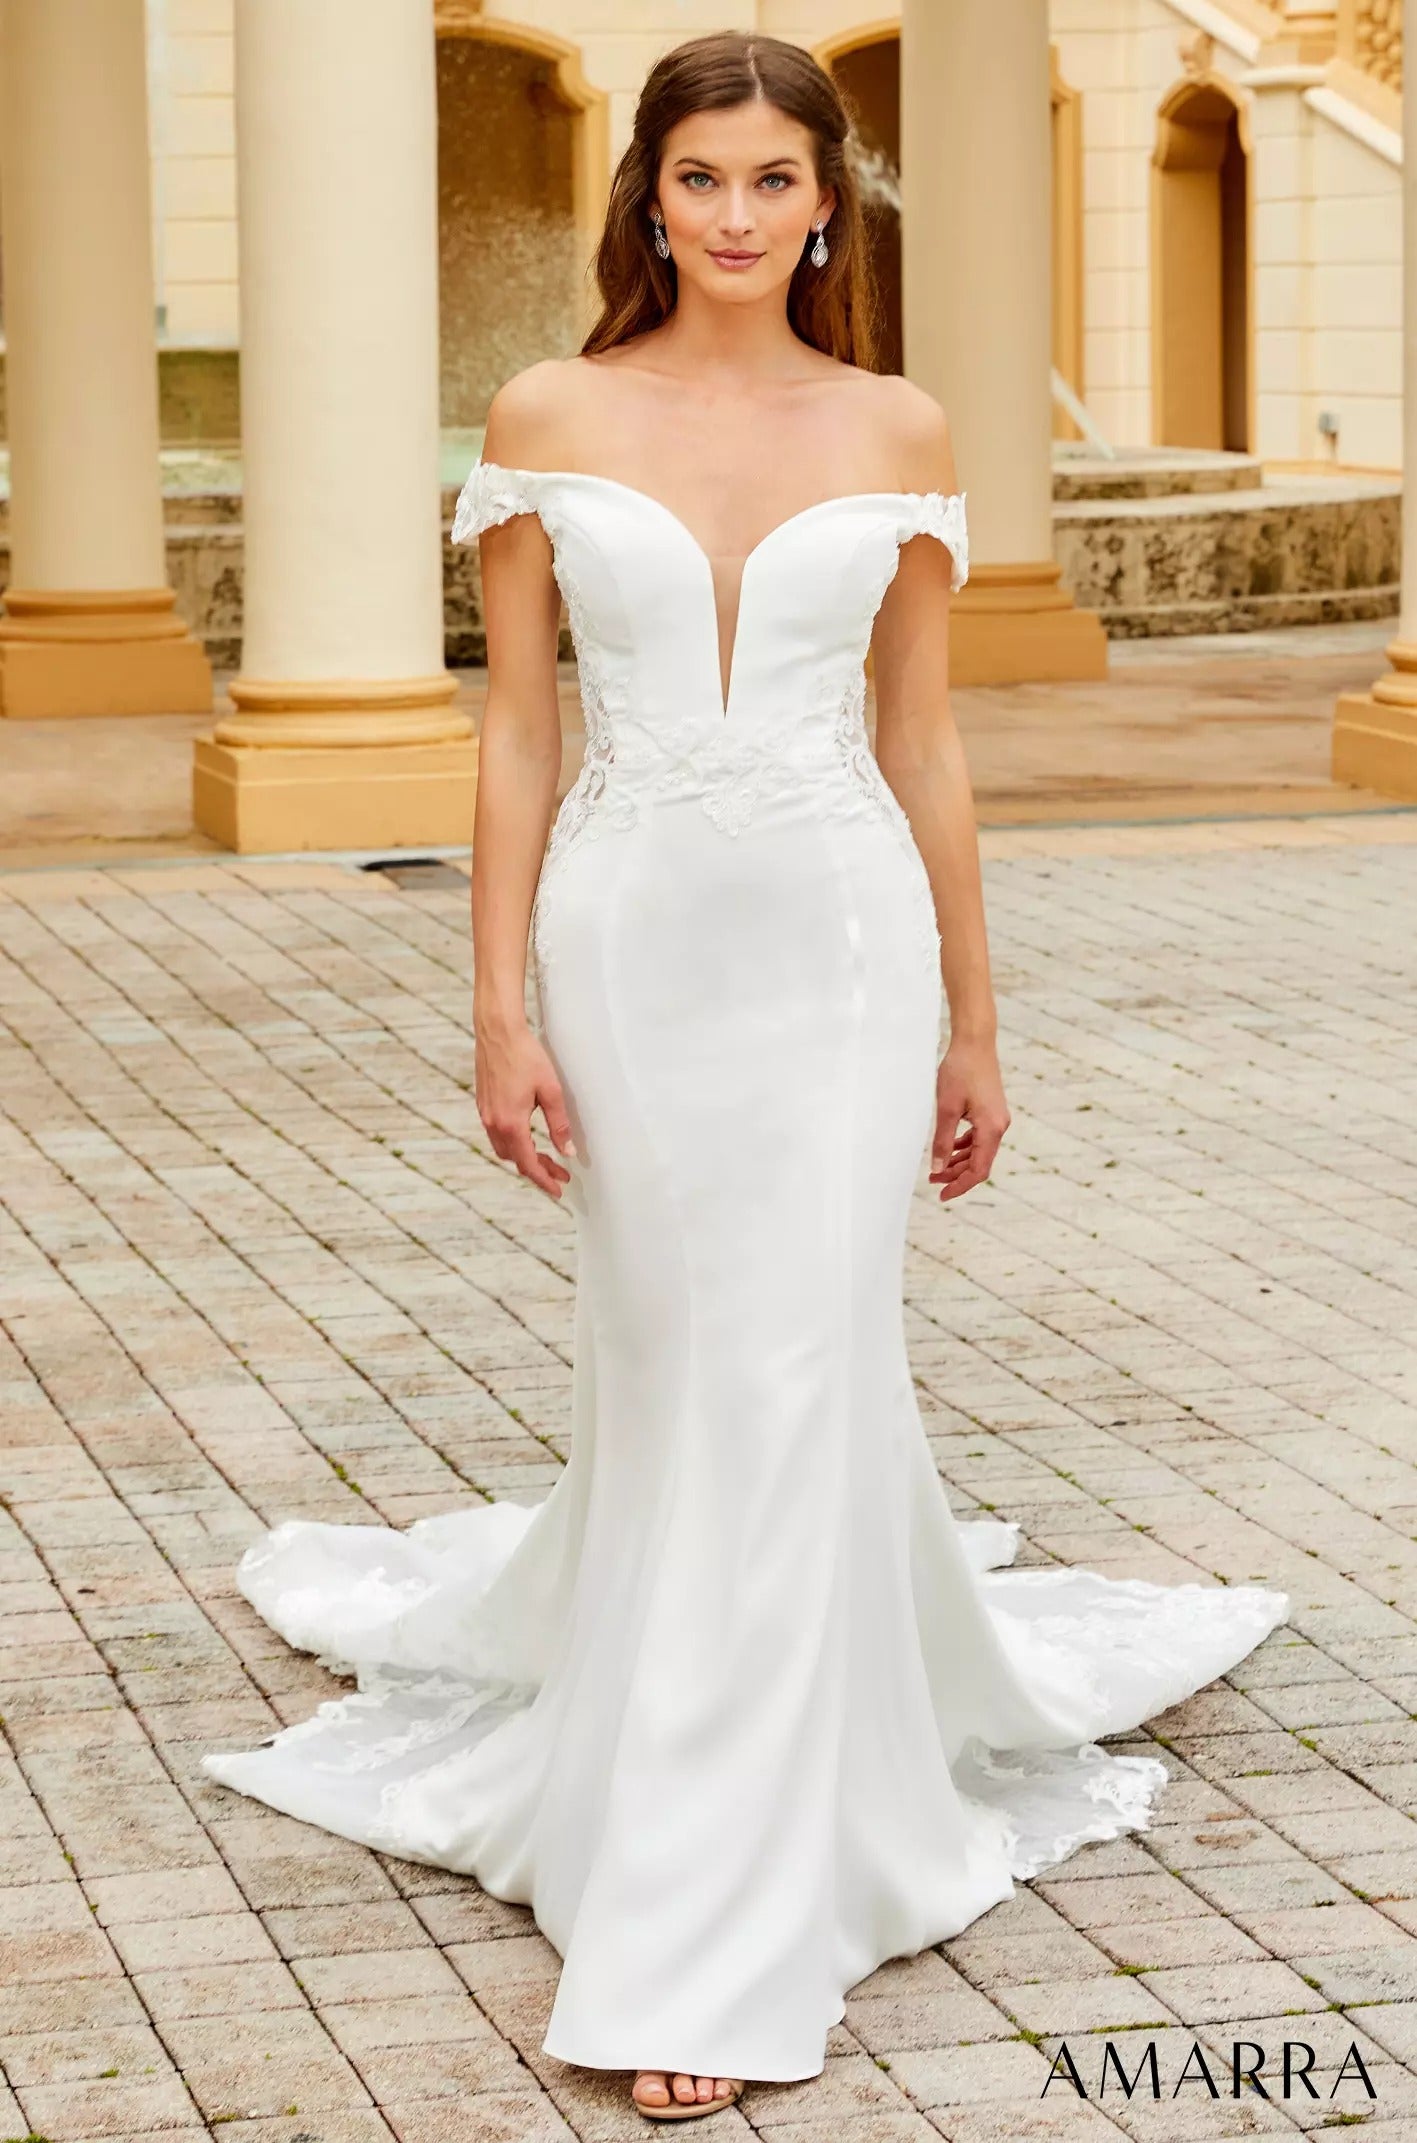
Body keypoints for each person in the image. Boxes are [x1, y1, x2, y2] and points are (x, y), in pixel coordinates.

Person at [204, 28, 1289, 2126]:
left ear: (826, 201)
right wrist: (496, 999)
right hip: (629, 943)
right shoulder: (550, 411)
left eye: (771, 182)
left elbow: (926, 741)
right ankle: (715, 1741)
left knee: (791, 1363)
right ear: (649, 195)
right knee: (688, 1362)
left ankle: (712, 1917)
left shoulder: (894, 421)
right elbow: (515, 728)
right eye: (697, 179)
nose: (732, 217)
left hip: (844, 948)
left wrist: (977, 1018)